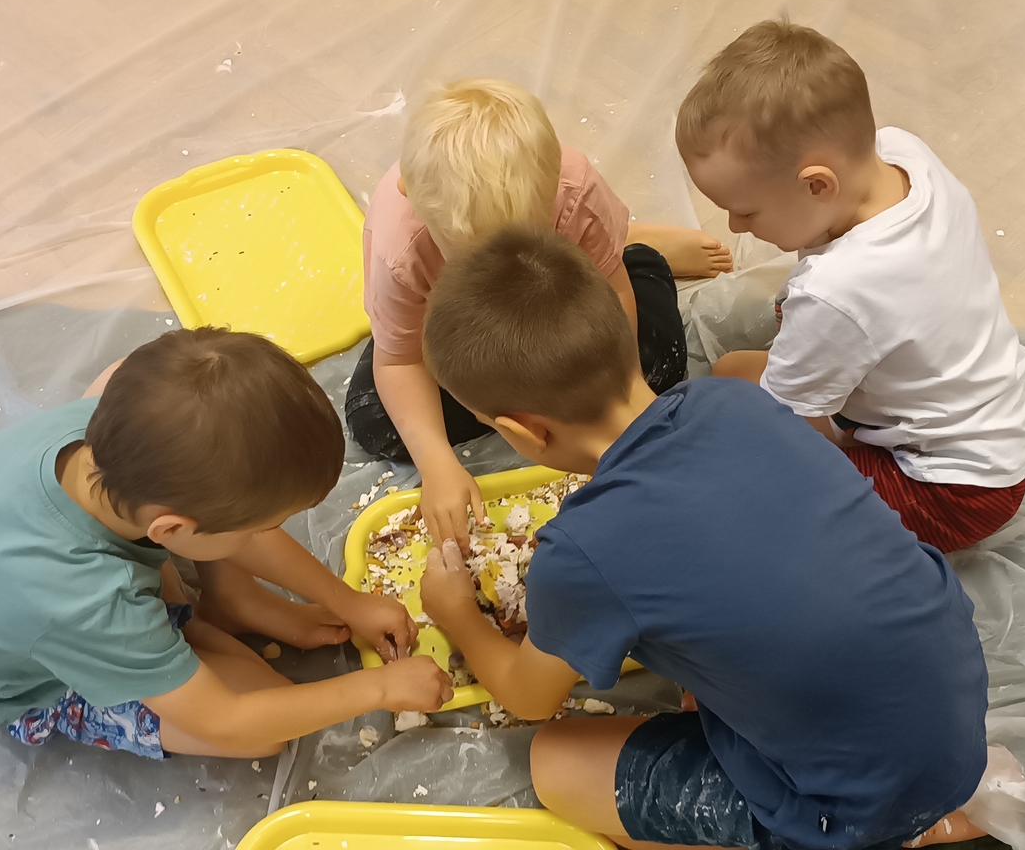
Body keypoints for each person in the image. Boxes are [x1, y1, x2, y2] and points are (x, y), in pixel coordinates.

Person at [416, 225, 992, 850]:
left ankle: (882, 834)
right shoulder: (733, 400)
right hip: (958, 713)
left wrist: (458, 613)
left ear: (521, 432)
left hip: (860, 805)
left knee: (556, 764)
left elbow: (529, 697)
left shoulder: (581, 553)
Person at [0, 328, 451, 760]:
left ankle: (221, 607)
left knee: (202, 482)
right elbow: (225, 720)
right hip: (10, 681)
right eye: (263, 526)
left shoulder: (110, 420)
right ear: (170, 532)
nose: (269, 534)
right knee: (261, 735)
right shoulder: (90, 601)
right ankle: (180, 633)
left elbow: (220, 531)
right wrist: (378, 689)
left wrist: (347, 602)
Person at [680, 21, 1025, 553]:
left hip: (948, 492)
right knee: (733, 371)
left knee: (742, 475)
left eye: (746, 211)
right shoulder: (901, 153)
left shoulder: (837, 292)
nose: (734, 226)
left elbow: (781, 426)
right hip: (988, 440)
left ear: (818, 185)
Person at [344, 77, 736, 550]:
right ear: (410, 194)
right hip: (468, 333)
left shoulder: (573, 186)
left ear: (553, 191)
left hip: (562, 303)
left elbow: (612, 298)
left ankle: (638, 245)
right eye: (472, 259)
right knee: (374, 419)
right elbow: (401, 359)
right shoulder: (400, 249)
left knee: (656, 363)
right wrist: (436, 461)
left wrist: (619, 385)